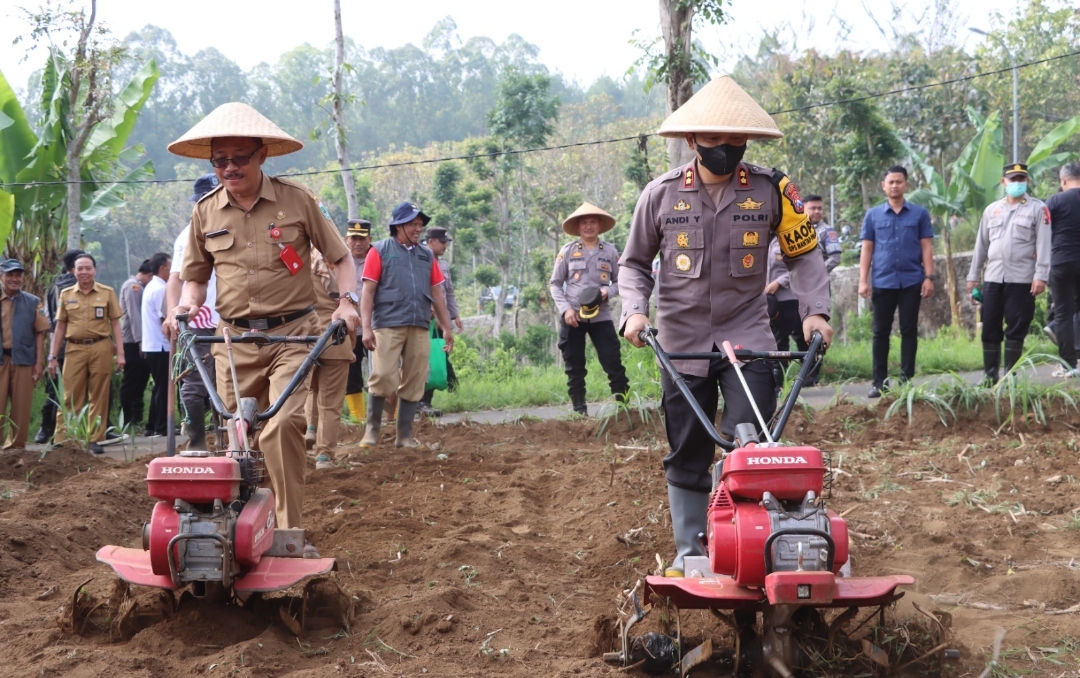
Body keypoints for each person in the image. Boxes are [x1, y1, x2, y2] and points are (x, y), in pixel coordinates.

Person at [618, 76, 833, 578]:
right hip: (680, 341)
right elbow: (634, 263)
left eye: (734, 139)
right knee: (689, 445)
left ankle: (753, 542)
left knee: (753, 440)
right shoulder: (661, 195)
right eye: (713, 139)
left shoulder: (772, 190)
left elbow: (804, 256)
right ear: (693, 140)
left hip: (748, 336)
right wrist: (634, 311)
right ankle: (691, 550)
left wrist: (815, 312)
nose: (724, 148)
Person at [164, 102, 360, 551]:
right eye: (220, 161)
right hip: (233, 342)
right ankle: (240, 530)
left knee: (283, 424)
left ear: (262, 155)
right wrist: (186, 306)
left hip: (292, 335)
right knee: (240, 439)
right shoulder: (205, 211)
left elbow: (341, 258)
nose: (229, 168)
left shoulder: (297, 200)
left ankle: (288, 533)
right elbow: (195, 278)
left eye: (239, 158)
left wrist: (346, 303)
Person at [359, 201, 454, 449]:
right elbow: (368, 291)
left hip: (419, 323)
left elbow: (437, 292)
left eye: (420, 224)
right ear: (398, 225)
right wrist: (366, 328)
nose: (418, 228)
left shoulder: (427, 255)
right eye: (413, 224)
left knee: (415, 379)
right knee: (383, 376)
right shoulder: (379, 250)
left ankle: (404, 436)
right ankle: (371, 432)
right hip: (387, 323)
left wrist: (446, 327)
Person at [966, 163, 1050, 383]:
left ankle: (1010, 379)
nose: (1017, 183)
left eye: (1021, 179)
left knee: (1017, 326)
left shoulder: (1038, 209)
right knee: (990, 326)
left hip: (1022, 278)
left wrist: (1041, 276)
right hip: (993, 278)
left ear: (1027, 181)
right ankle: (990, 376)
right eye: (1013, 179)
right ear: (1003, 182)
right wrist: (973, 277)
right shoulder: (992, 210)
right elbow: (981, 245)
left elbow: (1044, 245)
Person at [858, 165, 935, 398]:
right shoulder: (873, 215)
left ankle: (906, 381)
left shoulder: (919, 214)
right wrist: (863, 281)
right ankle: (879, 383)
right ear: (883, 186)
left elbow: (926, 247)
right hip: (883, 281)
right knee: (880, 332)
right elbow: (867, 249)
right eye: (890, 182)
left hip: (912, 280)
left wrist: (929, 277)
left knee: (909, 330)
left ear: (906, 185)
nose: (894, 185)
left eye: (899, 182)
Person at [549, 203, 629, 415]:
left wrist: (607, 291)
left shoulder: (610, 252)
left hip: (601, 316)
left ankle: (624, 409)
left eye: (593, 222)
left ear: (600, 225)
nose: (588, 226)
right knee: (574, 366)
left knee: (613, 361)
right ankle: (579, 411)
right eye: (584, 222)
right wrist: (566, 310)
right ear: (577, 227)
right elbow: (555, 284)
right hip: (573, 316)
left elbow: (621, 282)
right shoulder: (567, 251)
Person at [47, 253, 125, 454]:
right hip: (74, 348)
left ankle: (94, 439)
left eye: (88, 268)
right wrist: (52, 357)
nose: (84, 272)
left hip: (101, 347)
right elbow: (60, 327)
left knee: (99, 394)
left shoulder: (107, 293)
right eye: (80, 268)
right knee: (70, 394)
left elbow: (116, 324)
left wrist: (121, 353)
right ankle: (64, 438)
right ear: (73, 271)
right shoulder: (66, 294)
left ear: (94, 270)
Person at [167, 172, 222, 450]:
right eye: (204, 200)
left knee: (228, 381)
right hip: (200, 319)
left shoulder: (237, 224)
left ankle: (228, 441)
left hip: (234, 318)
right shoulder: (189, 235)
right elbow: (175, 279)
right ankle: (197, 442)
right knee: (196, 380)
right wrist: (172, 314)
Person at [306, 244, 357, 470]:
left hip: (305, 339)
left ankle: (309, 429)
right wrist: (350, 345)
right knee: (331, 402)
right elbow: (351, 316)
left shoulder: (298, 267)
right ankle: (324, 457)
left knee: (307, 390)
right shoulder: (344, 273)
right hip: (336, 340)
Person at [0, 259, 51, 449]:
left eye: (18, 275)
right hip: (1, 360)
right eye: (10, 275)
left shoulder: (33, 302)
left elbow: (40, 332)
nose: (14, 279)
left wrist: (38, 363)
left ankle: (15, 450)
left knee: (21, 408)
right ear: (1, 277)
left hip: (23, 360)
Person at [34, 248, 84, 444]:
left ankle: (46, 429)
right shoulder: (72, 288)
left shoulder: (54, 286)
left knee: (55, 388)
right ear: (74, 267)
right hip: (72, 345)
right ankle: (56, 431)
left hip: (57, 344)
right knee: (69, 389)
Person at [419, 226, 464, 417]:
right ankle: (422, 400)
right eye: (442, 242)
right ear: (431, 241)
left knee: (437, 357)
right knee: (425, 359)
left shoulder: (443, 265)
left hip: (441, 322)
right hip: (425, 321)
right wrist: (433, 315)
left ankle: (428, 400)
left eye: (446, 242)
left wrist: (454, 315)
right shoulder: (419, 260)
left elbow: (448, 293)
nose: (445, 246)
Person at [1046, 161, 1080, 378]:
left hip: (1062, 262)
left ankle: (1069, 366)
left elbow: (1042, 231)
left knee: (1064, 314)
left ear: (1063, 181)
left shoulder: (1055, 200)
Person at [118, 260, 153, 430]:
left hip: (139, 340)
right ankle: (127, 419)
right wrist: (140, 341)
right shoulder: (133, 287)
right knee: (132, 380)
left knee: (140, 380)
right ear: (150, 274)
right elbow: (134, 316)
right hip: (132, 341)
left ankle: (136, 418)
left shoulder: (139, 286)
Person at [141, 252, 172, 437]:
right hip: (161, 345)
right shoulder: (160, 289)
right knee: (164, 386)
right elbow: (165, 319)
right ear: (162, 268)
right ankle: (161, 426)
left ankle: (151, 425)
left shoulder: (151, 286)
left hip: (152, 344)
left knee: (159, 386)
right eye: (170, 267)